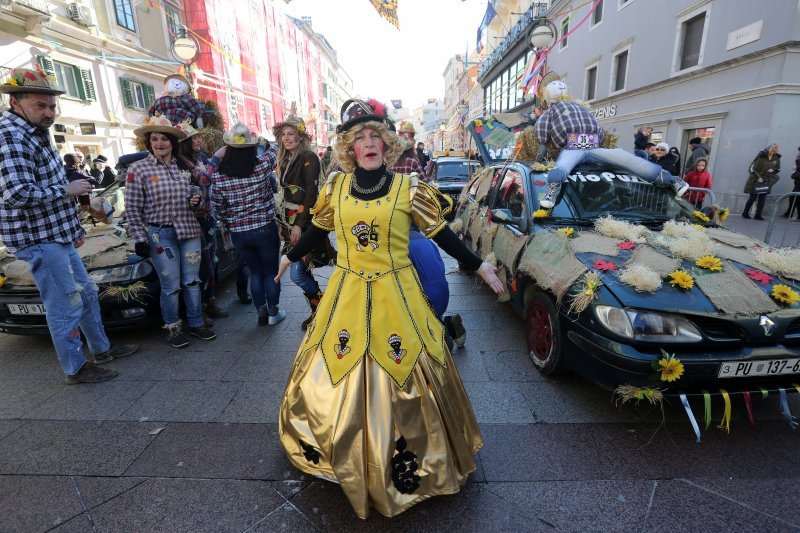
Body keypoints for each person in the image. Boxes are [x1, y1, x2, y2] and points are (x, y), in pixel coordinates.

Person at [275, 98, 503, 519]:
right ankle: (338, 447)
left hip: (397, 294)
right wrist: (290, 254)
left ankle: (414, 456)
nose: (368, 143)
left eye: (375, 136)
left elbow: (442, 233)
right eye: (359, 138)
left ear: (387, 144)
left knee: (407, 364)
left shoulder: (409, 189)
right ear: (348, 148)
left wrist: (478, 264)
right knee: (334, 360)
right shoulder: (336, 189)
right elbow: (317, 229)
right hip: (345, 292)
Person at [0, 68, 137, 384]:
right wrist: (67, 190)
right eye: (40, 106)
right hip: (39, 238)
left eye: (51, 106)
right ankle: (74, 368)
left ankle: (102, 348)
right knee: (65, 303)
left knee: (86, 293)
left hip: (55, 234)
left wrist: (74, 227)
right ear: (15, 102)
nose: (49, 113)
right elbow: (16, 193)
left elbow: (45, 182)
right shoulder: (12, 136)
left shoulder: (34, 131)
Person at [126, 115, 217, 347]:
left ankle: (196, 324)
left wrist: (193, 199)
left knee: (192, 282)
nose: (159, 143)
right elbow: (132, 208)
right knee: (172, 286)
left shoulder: (182, 166)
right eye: (154, 139)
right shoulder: (138, 169)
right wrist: (139, 239)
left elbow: (192, 195)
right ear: (148, 143)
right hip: (160, 235)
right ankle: (173, 327)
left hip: (189, 232)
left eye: (164, 139)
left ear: (173, 143)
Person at [534, 72, 688, 209]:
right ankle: (671, 179)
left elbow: (542, 126)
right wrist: (542, 143)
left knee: (565, 164)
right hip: (591, 145)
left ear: (548, 98)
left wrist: (543, 143)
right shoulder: (576, 109)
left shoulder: (556, 110)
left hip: (577, 146)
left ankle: (671, 179)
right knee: (625, 158)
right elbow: (597, 128)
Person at [211, 122, 285, 326]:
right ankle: (273, 313)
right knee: (271, 272)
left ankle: (261, 313)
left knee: (256, 273)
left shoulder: (218, 176)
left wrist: (230, 224)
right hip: (264, 228)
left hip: (239, 233)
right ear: (251, 147)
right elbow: (277, 148)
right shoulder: (261, 165)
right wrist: (263, 140)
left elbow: (217, 207)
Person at [273, 116, 327, 330]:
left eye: (291, 134)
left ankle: (322, 308)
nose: (287, 138)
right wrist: (282, 223)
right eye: (283, 134)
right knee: (302, 271)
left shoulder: (309, 157)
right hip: (289, 224)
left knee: (296, 272)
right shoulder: (286, 159)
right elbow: (285, 195)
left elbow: (311, 193)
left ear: (301, 136)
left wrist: (299, 225)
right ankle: (320, 312)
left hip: (303, 224)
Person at [176, 121, 230, 325]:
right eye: (195, 138)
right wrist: (217, 157)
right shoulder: (181, 161)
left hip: (207, 217)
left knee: (210, 262)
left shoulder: (197, 158)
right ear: (185, 142)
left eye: (199, 137)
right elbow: (204, 179)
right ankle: (200, 309)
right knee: (200, 267)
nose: (199, 140)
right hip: (193, 220)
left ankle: (210, 301)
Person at [742, 143, 781, 220]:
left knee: (762, 198)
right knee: (752, 198)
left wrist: (774, 170)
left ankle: (758, 215)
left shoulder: (777, 158)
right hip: (755, 181)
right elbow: (751, 168)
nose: (777, 149)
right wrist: (758, 177)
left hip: (767, 181)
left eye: (777, 148)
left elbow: (778, 169)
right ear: (770, 149)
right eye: (775, 148)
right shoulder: (761, 156)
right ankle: (745, 213)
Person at [782, 146, 800, 220]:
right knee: (793, 197)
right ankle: (789, 213)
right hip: (797, 182)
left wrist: (797, 162)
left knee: (797, 198)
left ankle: (798, 215)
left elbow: (798, 168)